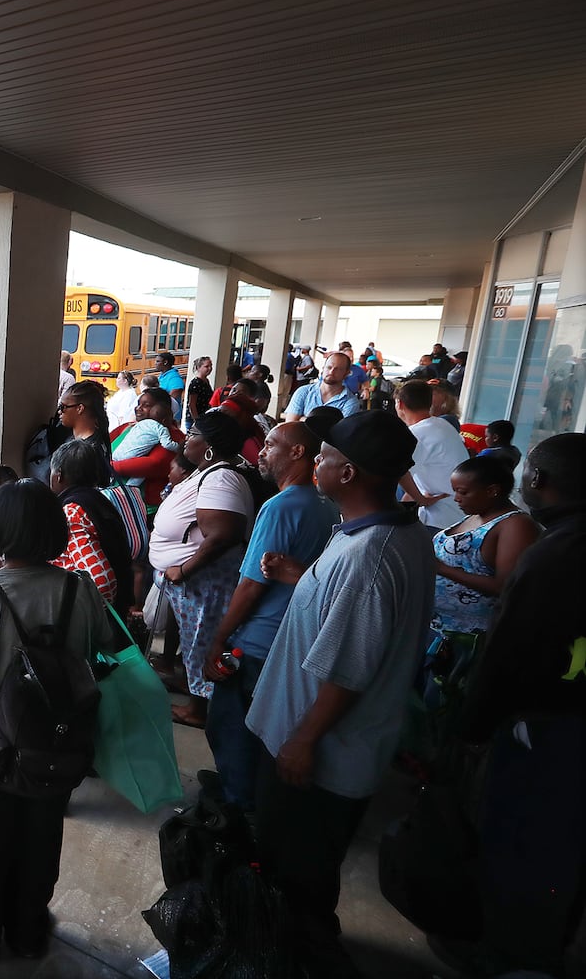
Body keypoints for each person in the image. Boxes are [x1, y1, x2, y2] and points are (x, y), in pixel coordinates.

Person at [245, 411, 434, 975]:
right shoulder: (391, 534)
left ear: (347, 473)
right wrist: (298, 579)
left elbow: (348, 669)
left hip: (321, 754)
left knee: (296, 882)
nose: (315, 463)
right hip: (324, 743)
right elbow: (349, 618)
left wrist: (303, 741)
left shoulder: (368, 557)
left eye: (322, 456)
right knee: (301, 874)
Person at [0, 479, 133, 965]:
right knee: (42, 835)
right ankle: (28, 929)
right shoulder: (79, 588)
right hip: (57, 742)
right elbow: (107, 646)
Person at [442, 434, 586, 978]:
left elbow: (512, 646)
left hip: (545, 722)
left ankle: (511, 957)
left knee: (527, 842)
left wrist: (473, 725)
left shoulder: (555, 551)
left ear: (537, 483)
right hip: (559, 713)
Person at [202, 423, 337, 809]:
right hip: (292, 638)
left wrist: (218, 639)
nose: (262, 452)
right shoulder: (324, 504)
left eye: (272, 445)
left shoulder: (280, 507)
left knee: (231, 727)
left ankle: (238, 812)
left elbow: (251, 584)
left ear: (298, 453)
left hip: (259, 641)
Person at [148, 411, 255, 727]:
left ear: (208, 446)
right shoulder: (208, 472)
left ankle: (200, 711)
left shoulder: (220, 476)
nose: (186, 439)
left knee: (203, 640)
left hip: (204, 582)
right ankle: (198, 702)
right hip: (197, 582)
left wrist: (185, 570)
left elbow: (223, 534)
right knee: (196, 641)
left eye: (192, 433)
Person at [430, 455, 539, 640]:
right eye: (455, 491)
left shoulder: (515, 525)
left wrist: (442, 569)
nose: (456, 498)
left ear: (492, 491)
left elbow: (506, 586)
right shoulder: (476, 515)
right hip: (438, 628)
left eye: (463, 492)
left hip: (468, 637)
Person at [48, 438, 133, 616]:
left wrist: (79, 619)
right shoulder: (99, 500)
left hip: (95, 621)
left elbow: (100, 582)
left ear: (59, 475)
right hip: (117, 607)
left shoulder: (72, 511)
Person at [394, 379, 471, 530]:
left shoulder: (415, 435)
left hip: (439, 520)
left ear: (400, 404)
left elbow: (398, 472)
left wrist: (421, 500)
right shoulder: (442, 425)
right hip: (457, 514)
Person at [110, 387, 184, 511]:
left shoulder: (172, 435)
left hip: (144, 508)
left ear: (162, 410)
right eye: (139, 404)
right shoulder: (127, 427)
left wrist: (109, 466)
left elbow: (154, 464)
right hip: (116, 499)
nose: (138, 408)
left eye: (146, 405)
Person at [284, 351, 358, 421]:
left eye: (338, 369)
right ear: (323, 368)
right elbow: (290, 424)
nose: (331, 371)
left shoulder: (351, 402)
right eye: (329, 367)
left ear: (346, 373)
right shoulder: (303, 392)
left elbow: (341, 431)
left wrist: (303, 419)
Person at [154, 352, 185, 419]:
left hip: (171, 417)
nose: (155, 363)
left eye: (158, 361)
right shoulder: (163, 375)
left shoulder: (175, 378)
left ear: (165, 362)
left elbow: (172, 398)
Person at [185, 356, 214, 423]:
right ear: (198, 368)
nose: (210, 369)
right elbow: (192, 404)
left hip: (204, 417)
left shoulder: (206, 380)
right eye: (206, 366)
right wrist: (196, 420)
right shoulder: (196, 383)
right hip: (195, 419)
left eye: (211, 366)